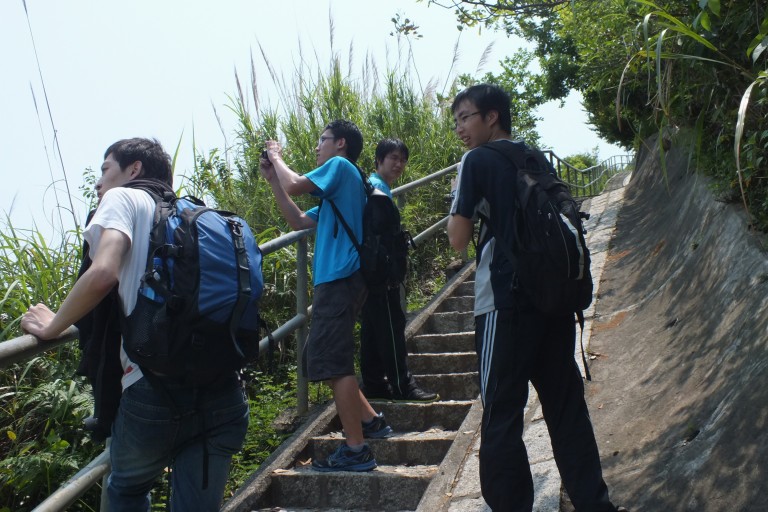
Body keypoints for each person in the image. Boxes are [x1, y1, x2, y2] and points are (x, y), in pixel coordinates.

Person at [21, 138, 249, 511]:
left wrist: (53, 326)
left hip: (153, 390)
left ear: (134, 169)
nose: (99, 182)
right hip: (224, 388)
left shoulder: (123, 198)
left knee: (126, 490)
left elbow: (104, 273)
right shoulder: (196, 213)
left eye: (105, 169)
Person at [446, 84, 627, 512]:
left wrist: (459, 196)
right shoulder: (533, 156)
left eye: (465, 118)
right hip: (552, 299)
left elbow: (457, 239)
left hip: (504, 303)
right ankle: (595, 504)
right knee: (566, 409)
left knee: (501, 417)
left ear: (492, 116)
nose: (460, 129)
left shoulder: (476, 160)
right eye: (456, 122)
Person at [260, 120, 392, 472]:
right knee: (325, 354)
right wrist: (273, 180)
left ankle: (356, 450)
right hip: (343, 280)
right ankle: (370, 421)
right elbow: (299, 220)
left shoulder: (340, 167)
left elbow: (295, 183)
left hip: (340, 279)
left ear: (341, 143)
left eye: (322, 140)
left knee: (334, 361)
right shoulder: (342, 187)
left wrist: (275, 155)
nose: (317, 147)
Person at [359, 138, 438, 402]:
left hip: (370, 272)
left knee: (372, 329)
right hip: (380, 274)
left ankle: (373, 384)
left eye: (402, 159)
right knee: (392, 328)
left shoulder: (374, 187)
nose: (399, 164)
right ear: (378, 160)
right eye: (393, 158)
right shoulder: (376, 189)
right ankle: (404, 386)